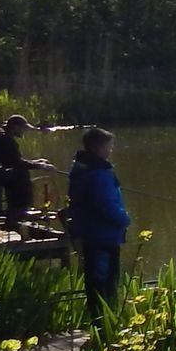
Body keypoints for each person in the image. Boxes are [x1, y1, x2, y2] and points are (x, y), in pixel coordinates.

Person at [64, 127, 131, 315]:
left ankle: (98, 320)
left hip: (90, 233)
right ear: (98, 148)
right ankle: (105, 323)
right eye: (109, 146)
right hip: (103, 236)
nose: (111, 150)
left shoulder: (80, 168)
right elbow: (106, 205)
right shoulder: (98, 173)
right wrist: (124, 219)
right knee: (105, 282)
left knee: (94, 280)